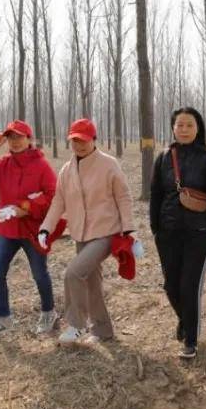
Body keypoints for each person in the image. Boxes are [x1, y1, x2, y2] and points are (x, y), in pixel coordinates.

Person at [39, 118, 136, 346]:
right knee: (91, 281)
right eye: (74, 141)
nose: (79, 145)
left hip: (105, 232)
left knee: (73, 273)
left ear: (94, 139)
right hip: (81, 233)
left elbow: (123, 197)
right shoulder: (67, 169)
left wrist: (130, 230)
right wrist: (45, 228)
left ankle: (76, 326)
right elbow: (58, 201)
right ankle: (103, 330)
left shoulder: (108, 164)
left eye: (83, 140)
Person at [149, 107, 206, 360]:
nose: (184, 130)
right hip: (167, 233)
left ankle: (191, 340)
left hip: (198, 233)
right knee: (171, 285)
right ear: (173, 127)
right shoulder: (163, 158)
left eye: (189, 125)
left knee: (189, 286)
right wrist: (155, 229)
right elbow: (155, 197)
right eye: (179, 125)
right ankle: (185, 319)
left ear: (198, 128)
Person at [0, 120, 58, 341]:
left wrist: (25, 208)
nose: (15, 142)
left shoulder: (42, 166)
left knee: (39, 273)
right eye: (11, 138)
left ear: (29, 139)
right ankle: (3, 319)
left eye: (19, 137)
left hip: (32, 229)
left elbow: (52, 195)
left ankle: (49, 313)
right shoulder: (3, 164)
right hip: (7, 229)